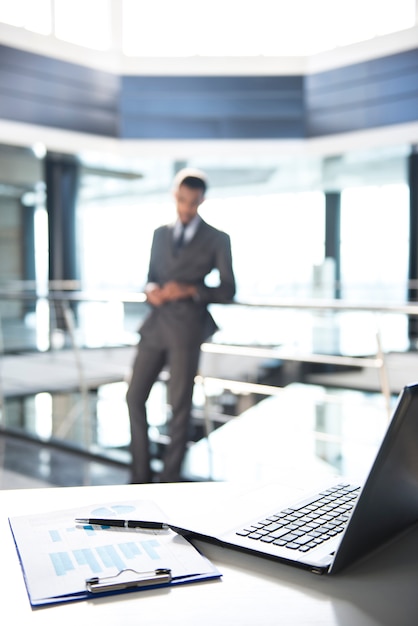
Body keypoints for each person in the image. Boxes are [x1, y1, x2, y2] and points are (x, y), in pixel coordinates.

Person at [127, 168, 236, 483]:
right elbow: (151, 275)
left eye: (193, 202)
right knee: (134, 397)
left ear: (202, 200)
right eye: (182, 200)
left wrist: (190, 290)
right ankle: (140, 472)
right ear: (175, 195)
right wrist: (150, 290)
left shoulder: (217, 238)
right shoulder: (160, 234)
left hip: (187, 328)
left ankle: (170, 478)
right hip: (155, 325)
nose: (186, 208)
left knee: (179, 406)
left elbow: (228, 289)